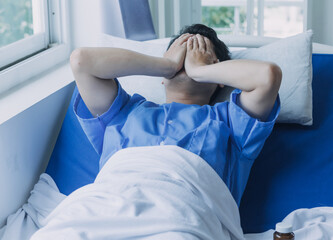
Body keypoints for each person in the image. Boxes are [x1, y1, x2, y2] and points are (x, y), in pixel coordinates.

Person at [70, 24, 282, 206]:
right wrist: (166, 65)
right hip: (106, 206)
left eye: (198, 53)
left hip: (182, 213)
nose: (186, 62)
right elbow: (81, 61)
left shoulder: (231, 123)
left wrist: (199, 71)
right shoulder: (125, 111)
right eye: (181, 54)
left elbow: (267, 76)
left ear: (220, 75)